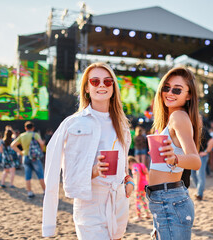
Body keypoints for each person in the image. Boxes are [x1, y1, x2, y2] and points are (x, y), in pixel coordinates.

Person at [42, 62, 133, 240]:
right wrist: (93, 171)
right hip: (89, 204)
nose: (101, 85)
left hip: (119, 202)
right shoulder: (73, 124)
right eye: (95, 81)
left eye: (107, 82)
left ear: (113, 87)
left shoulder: (122, 125)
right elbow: (58, 173)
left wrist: (128, 179)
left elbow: (123, 166)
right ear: (86, 87)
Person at [146, 67, 201, 240]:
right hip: (163, 200)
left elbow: (195, 161)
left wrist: (174, 158)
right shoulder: (171, 118)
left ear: (189, 95)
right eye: (166, 87)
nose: (169, 93)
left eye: (177, 89)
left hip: (170, 200)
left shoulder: (178, 116)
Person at [11, 121, 45, 199]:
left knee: (27, 175)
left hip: (25, 156)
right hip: (34, 157)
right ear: (33, 128)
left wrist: (20, 152)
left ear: (25, 128)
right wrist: (40, 151)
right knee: (40, 175)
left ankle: (29, 192)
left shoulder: (22, 135)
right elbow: (41, 143)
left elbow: (13, 145)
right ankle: (45, 191)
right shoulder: (35, 134)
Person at [191, 115, 213, 200]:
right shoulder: (192, 130)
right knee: (193, 175)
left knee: (200, 175)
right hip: (193, 156)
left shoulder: (203, 130)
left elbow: (212, 141)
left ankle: (199, 193)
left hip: (201, 156)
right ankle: (199, 189)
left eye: (198, 119)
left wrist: (206, 152)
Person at [128, 156, 151, 221]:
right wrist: (148, 182)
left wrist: (136, 185)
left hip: (139, 185)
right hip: (144, 184)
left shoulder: (134, 166)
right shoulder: (141, 165)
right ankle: (147, 214)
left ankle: (139, 216)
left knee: (137, 200)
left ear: (130, 162)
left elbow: (138, 174)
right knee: (143, 200)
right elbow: (147, 172)